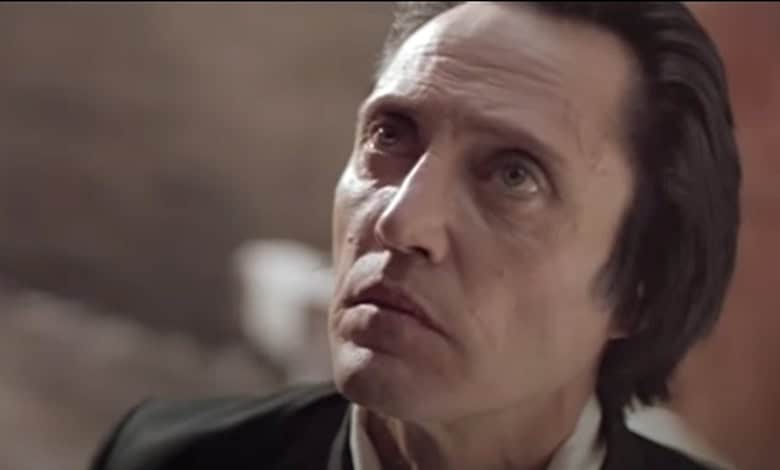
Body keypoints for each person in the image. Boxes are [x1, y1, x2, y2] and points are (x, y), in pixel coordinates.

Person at [89, 2, 741, 469]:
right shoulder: (162, 457)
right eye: (390, 135)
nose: (400, 222)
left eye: (514, 175)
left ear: (640, 287)